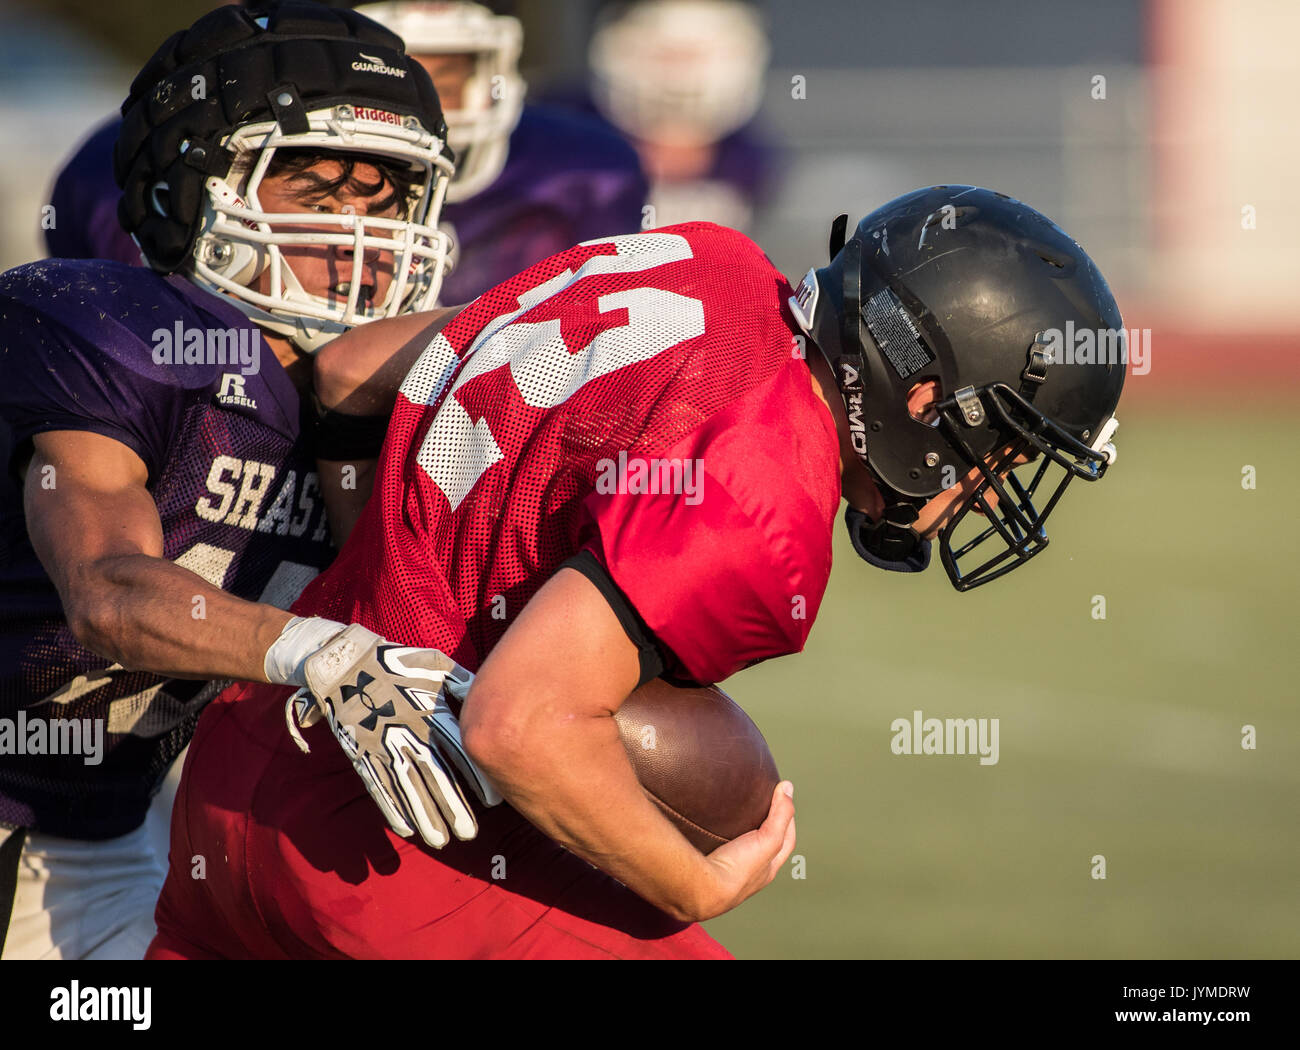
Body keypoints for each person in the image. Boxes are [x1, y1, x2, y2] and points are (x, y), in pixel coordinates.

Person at [147, 185, 1127, 959]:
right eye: (999, 443)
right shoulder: (760, 504)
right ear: (922, 398)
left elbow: (349, 368)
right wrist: (694, 884)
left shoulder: (714, 261)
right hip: (388, 854)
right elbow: (517, 725)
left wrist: (396, 587)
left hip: (238, 779)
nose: (992, 476)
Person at [0, 1, 459, 958]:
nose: (358, 237)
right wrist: (318, 654)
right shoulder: (120, 333)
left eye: (386, 198)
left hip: (112, 832)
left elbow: (408, 627)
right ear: (193, 191)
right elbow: (109, 595)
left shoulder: (389, 397)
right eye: (316, 193)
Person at [354, 0, 649, 302]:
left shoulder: (581, 170)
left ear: (487, 85)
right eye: (394, 88)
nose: (423, 108)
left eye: (444, 87)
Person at [578, 0, 778, 231]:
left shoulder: (755, 166)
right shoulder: (558, 154)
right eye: (663, 53)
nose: (680, 72)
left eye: (700, 53)